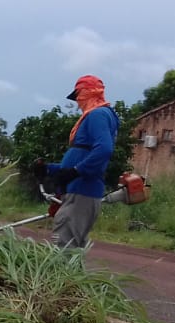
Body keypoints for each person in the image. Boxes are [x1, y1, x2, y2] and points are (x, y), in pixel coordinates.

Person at [38, 74, 120, 250]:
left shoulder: (98, 114)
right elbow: (81, 157)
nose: (78, 102)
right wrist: (49, 170)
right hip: (78, 190)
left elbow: (104, 149)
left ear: (87, 93)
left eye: (78, 96)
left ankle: (61, 278)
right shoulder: (98, 115)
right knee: (70, 248)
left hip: (82, 190)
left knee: (63, 248)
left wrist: (75, 171)